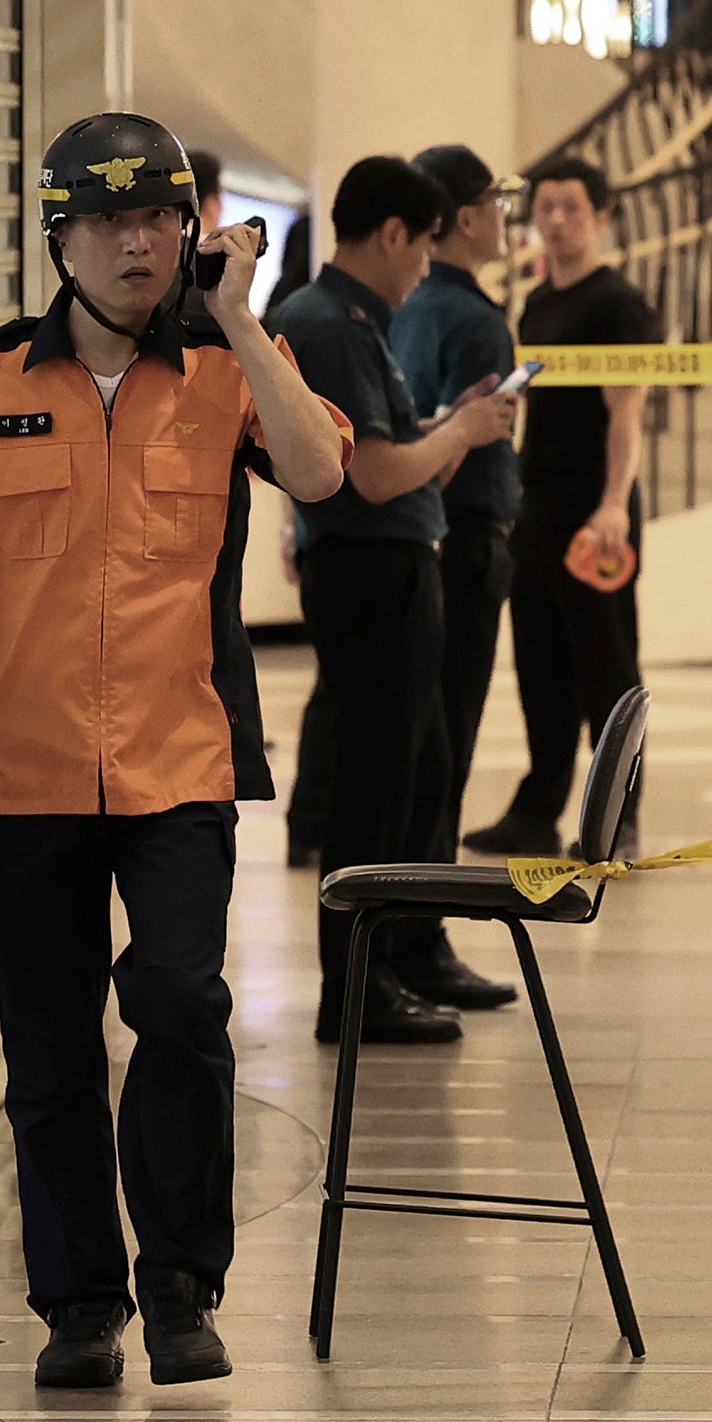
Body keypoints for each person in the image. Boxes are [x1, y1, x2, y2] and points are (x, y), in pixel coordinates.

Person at [0, 114, 351, 1388]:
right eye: (107, 218)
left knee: (183, 1009)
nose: (138, 240)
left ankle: (183, 1288)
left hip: (180, 759)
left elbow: (319, 474)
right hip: (25, 768)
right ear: (60, 236)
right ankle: (82, 1306)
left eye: (161, 216)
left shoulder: (225, 368)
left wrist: (244, 320)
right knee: (46, 1043)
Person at [268, 154, 519, 1045]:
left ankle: (396, 961)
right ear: (393, 234)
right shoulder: (326, 321)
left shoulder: (355, 320)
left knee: (416, 770)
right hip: (371, 573)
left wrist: (453, 430)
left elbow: (388, 448)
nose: (426, 267)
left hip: (395, 567)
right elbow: (370, 475)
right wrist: (456, 430)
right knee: (377, 786)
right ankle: (359, 988)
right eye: (423, 246)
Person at [471, 154, 657, 859]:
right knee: (541, 662)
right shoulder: (542, 301)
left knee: (606, 664)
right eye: (545, 208)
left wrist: (614, 503)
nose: (555, 221)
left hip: (593, 506)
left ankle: (619, 818)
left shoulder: (618, 303)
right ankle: (538, 806)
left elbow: (626, 412)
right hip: (537, 503)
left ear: (602, 216)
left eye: (571, 208)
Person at [388, 142, 525, 1008]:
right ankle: (422, 936)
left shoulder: (402, 307)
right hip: (464, 535)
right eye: (499, 202)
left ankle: (406, 927)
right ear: (465, 217)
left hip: (417, 539)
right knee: (444, 749)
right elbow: (453, 434)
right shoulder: (474, 317)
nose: (507, 218)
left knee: (419, 749)